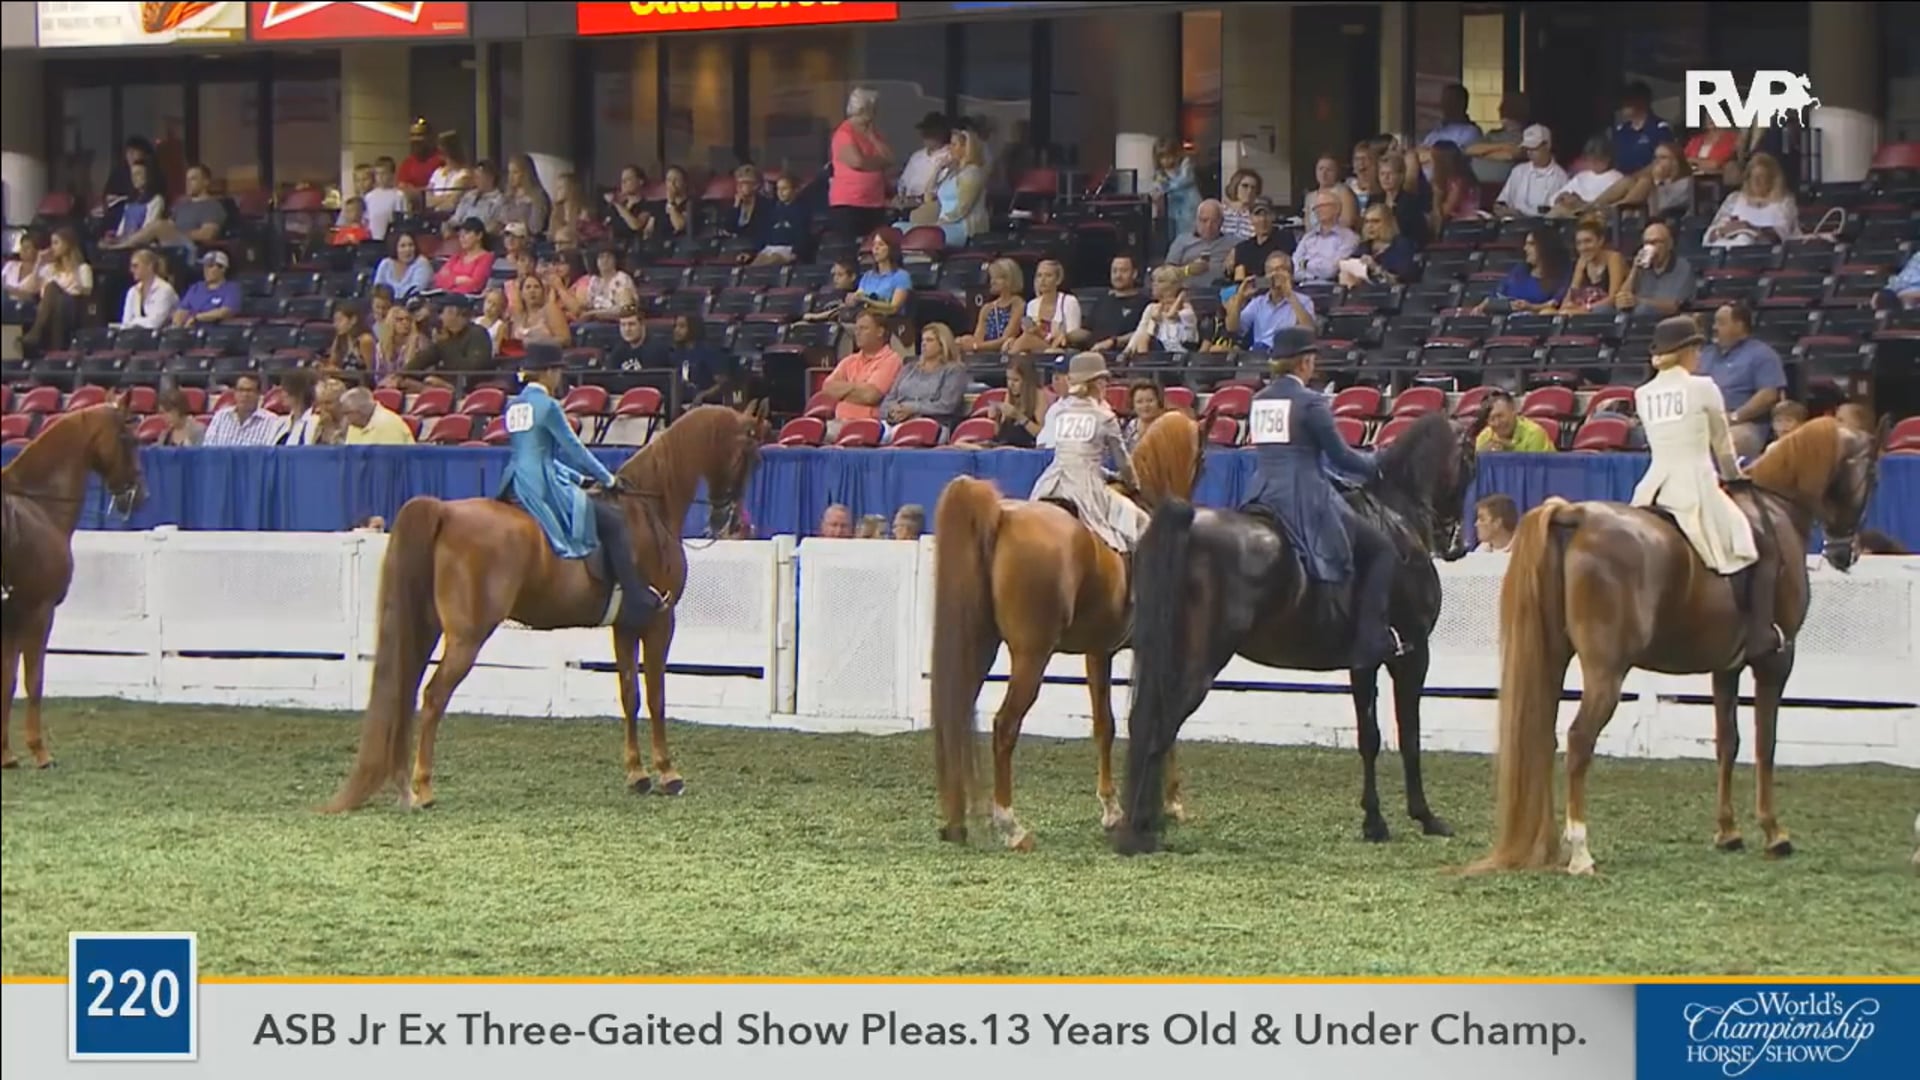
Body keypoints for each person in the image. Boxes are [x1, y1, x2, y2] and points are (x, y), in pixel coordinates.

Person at [1244, 328, 1404, 669]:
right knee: (1382, 550)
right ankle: (1372, 637)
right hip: (1303, 495)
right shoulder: (1310, 402)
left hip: (1261, 491)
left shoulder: (1259, 400)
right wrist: (1377, 462)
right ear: (1305, 362)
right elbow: (1342, 456)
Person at [1629, 315, 1779, 663]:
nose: (1700, 354)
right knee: (1755, 546)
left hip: (1653, 487)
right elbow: (1723, 445)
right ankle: (1758, 633)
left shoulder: (1643, 393)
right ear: (1687, 351)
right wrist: (1736, 477)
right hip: (1694, 483)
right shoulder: (1703, 387)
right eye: (1696, 347)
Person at [497, 345, 669, 633]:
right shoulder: (548, 406)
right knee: (614, 522)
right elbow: (574, 449)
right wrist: (608, 478)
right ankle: (636, 597)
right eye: (558, 371)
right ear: (550, 372)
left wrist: (579, 480)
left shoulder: (513, 405)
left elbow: (535, 453)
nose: (559, 377)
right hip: (542, 483)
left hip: (516, 479)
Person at [1028, 353, 1147, 555]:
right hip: (1085, 488)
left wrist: (1108, 475)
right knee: (1142, 526)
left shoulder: (1060, 413)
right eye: (1104, 382)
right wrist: (1133, 484)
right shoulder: (1105, 417)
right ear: (1098, 383)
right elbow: (1124, 463)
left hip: (1051, 482)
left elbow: (1075, 454)